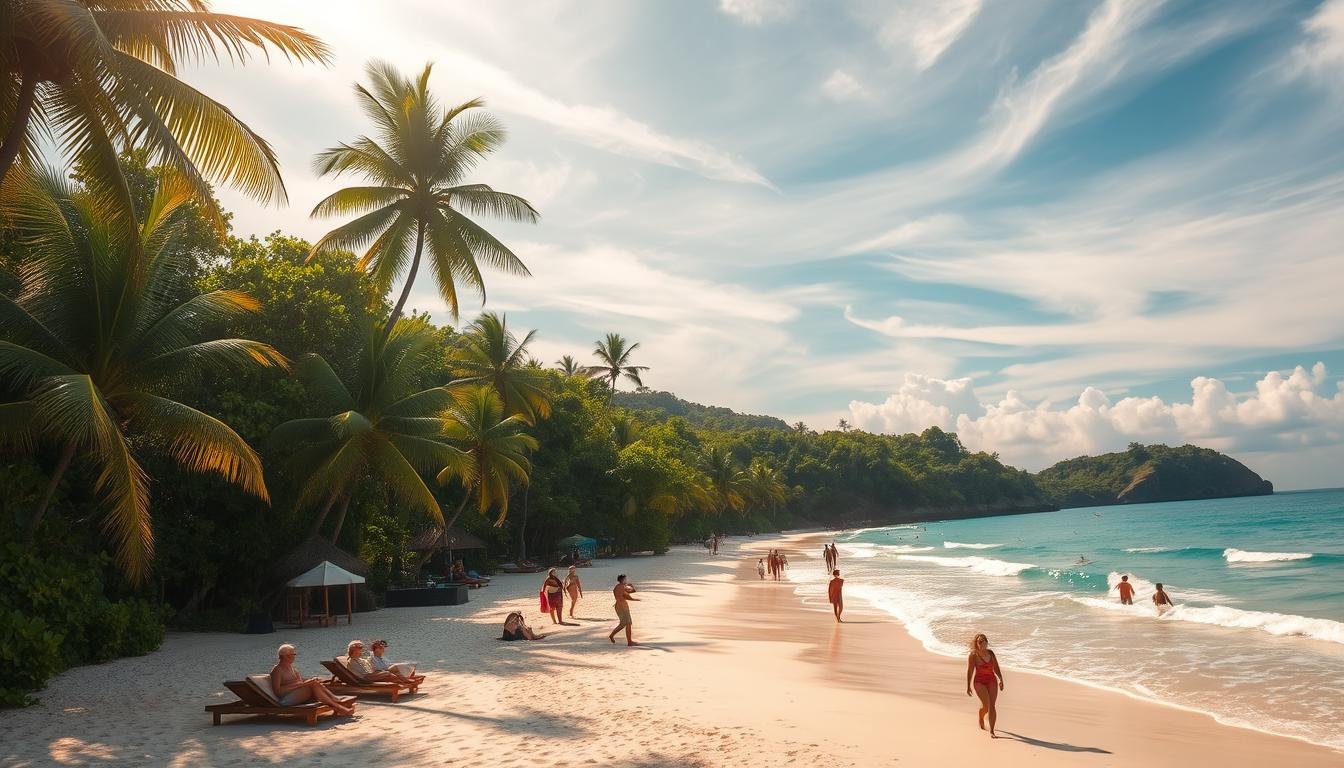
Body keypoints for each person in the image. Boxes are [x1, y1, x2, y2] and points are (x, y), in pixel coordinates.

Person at [269, 643, 355, 716]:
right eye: (293, 654)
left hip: (296, 694)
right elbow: (278, 691)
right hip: (286, 699)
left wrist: (310, 680)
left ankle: (335, 700)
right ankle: (339, 707)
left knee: (314, 682)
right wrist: (304, 683)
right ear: (286, 656)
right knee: (312, 684)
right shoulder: (277, 670)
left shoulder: (292, 668)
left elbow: (299, 682)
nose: (294, 656)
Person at [965, 633, 1004, 737]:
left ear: (987, 642)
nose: (982, 643)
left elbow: (996, 668)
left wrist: (1001, 679)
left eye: (983, 641)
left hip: (991, 680)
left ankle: (992, 731)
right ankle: (981, 715)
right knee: (986, 706)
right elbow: (970, 671)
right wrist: (968, 686)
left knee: (992, 705)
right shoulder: (973, 655)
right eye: (979, 642)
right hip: (979, 682)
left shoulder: (991, 653)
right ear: (976, 643)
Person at [346, 640, 419, 685]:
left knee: (389, 674)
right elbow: (363, 674)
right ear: (353, 651)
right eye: (359, 651)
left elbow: (369, 667)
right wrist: (377, 672)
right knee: (387, 673)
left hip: (369, 675)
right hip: (365, 678)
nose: (361, 652)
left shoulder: (360, 660)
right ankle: (405, 681)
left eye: (361, 650)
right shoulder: (352, 662)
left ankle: (404, 681)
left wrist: (376, 672)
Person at [607, 574, 640, 646]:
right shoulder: (621, 587)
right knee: (626, 623)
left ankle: (613, 636)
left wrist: (631, 586)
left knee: (625, 623)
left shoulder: (618, 586)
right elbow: (628, 596)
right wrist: (636, 599)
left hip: (620, 606)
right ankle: (629, 642)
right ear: (623, 580)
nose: (627, 580)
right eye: (626, 579)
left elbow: (632, 591)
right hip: (622, 606)